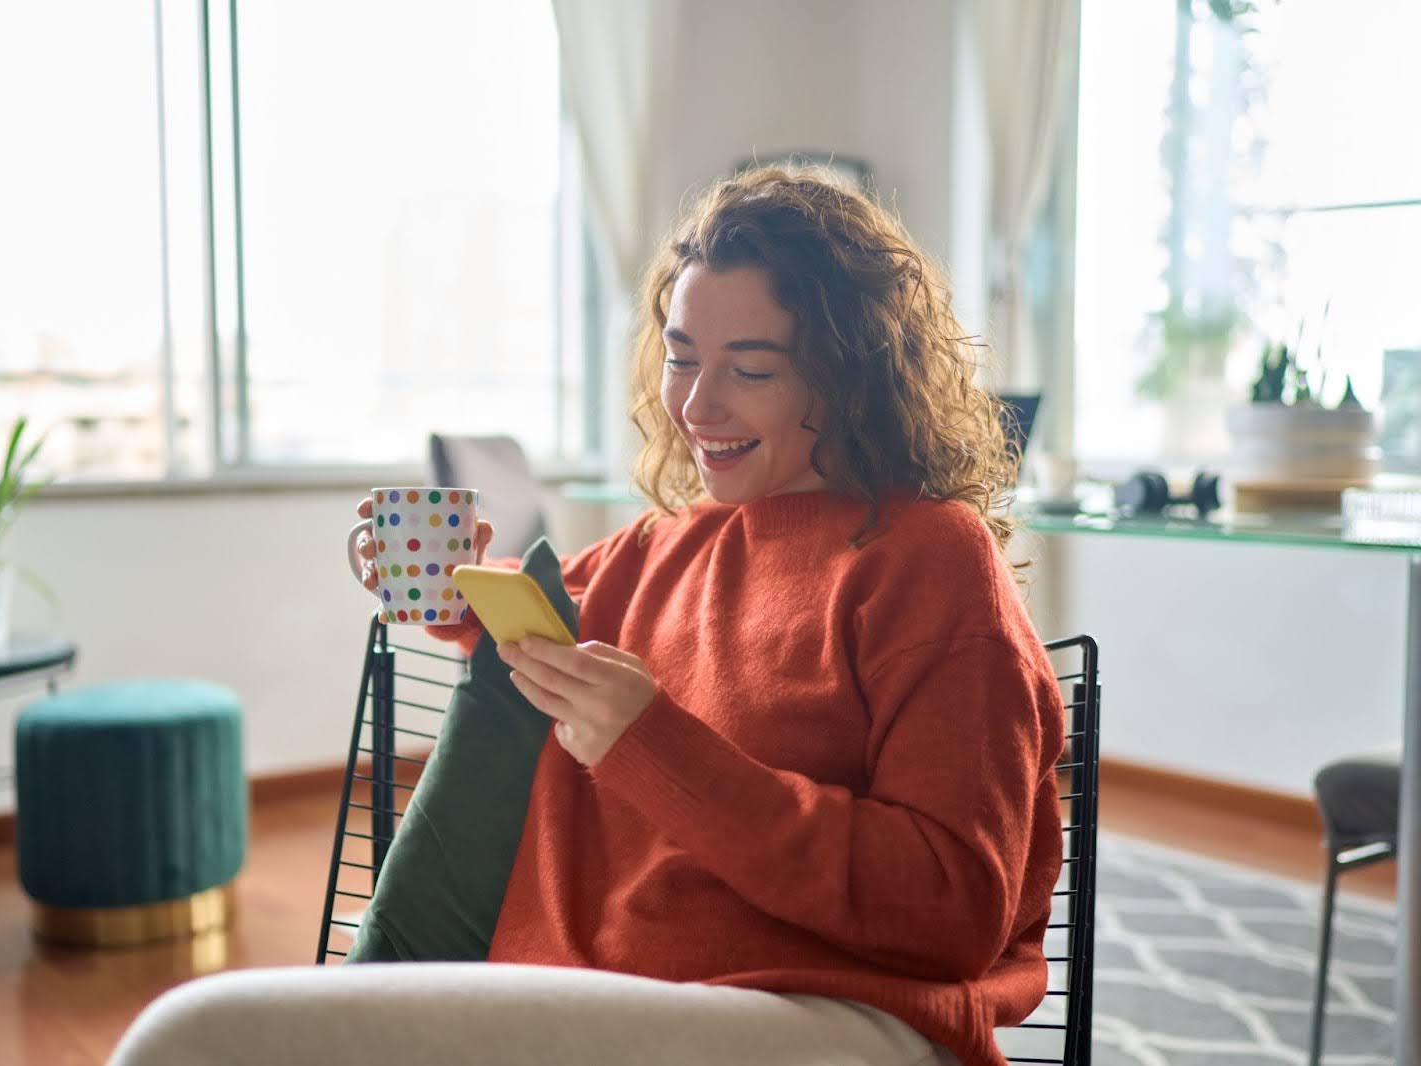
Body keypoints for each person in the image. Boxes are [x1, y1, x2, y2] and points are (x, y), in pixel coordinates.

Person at [110, 167, 1064, 1066]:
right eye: (682, 358)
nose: (696, 403)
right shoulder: (669, 543)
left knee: (194, 1038)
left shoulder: (928, 558)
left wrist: (650, 742)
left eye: (752, 369)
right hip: (622, 994)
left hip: (830, 1016)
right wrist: (453, 589)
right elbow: (546, 624)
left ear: (850, 375)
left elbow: (951, 908)